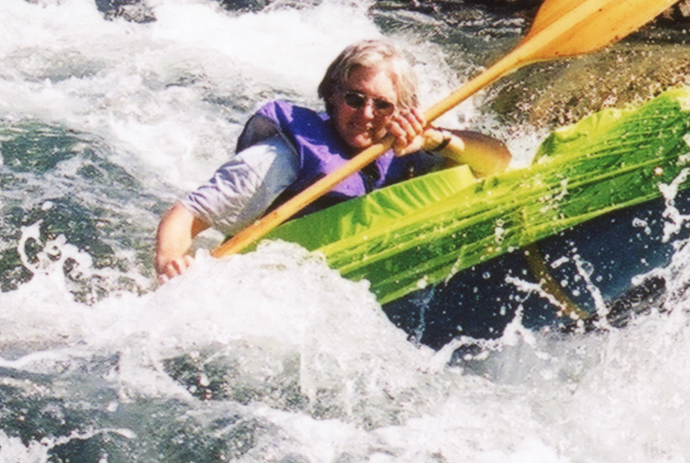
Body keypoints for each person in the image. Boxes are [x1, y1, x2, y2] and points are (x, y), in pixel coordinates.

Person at [156, 38, 510, 281]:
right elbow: (186, 214)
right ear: (332, 95)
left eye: (382, 105)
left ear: (400, 110)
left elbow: (497, 162)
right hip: (278, 281)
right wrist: (170, 263)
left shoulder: (411, 146)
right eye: (355, 99)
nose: (366, 114)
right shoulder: (279, 158)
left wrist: (437, 140)